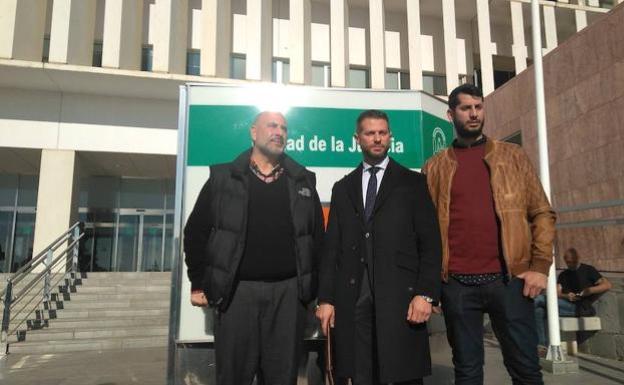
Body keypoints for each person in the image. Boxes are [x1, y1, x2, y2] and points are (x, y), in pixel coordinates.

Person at [423, 84, 557, 385]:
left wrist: (539, 267)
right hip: (456, 286)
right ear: (450, 114)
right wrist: (432, 285)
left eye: (478, 107)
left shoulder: (513, 156)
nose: (474, 113)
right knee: (467, 373)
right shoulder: (434, 168)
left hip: (509, 281)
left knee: (525, 369)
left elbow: (542, 213)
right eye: (466, 108)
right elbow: (427, 233)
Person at [183, 111, 324, 385]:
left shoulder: (302, 180)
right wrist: (198, 283)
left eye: (284, 128)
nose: (279, 132)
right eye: (271, 125)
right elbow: (195, 233)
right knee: (234, 376)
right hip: (236, 294)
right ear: (253, 132)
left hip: (289, 295)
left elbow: (318, 240)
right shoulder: (223, 178)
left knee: (283, 377)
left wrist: (313, 290)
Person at [316, 109, 442, 385]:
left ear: (390, 137)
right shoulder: (343, 188)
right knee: (360, 373)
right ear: (357, 139)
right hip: (354, 295)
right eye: (370, 133)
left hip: (401, 295)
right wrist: (325, 298)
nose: (377, 139)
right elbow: (331, 249)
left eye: (382, 133)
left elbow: (431, 244)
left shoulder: (413, 183)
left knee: (402, 374)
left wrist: (426, 294)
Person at [534, 247, 612, 346]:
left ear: (578, 258)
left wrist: (589, 291)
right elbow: (556, 293)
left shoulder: (588, 270)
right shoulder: (564, 275)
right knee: (539, 311)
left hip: (582, 308)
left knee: (539, 299)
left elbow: (607, 285)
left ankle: (520, 316)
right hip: (566, 305)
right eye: (568, 262)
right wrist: (566, 296)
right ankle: (542, 345)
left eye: (573, 262)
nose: (571, 264)